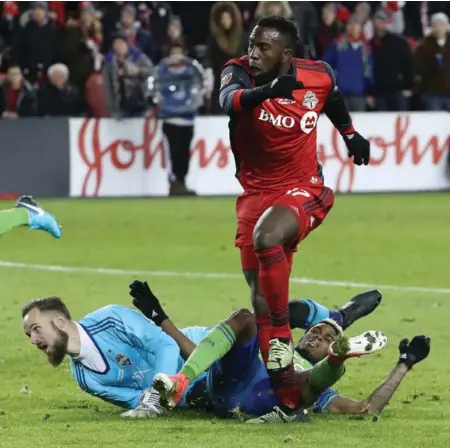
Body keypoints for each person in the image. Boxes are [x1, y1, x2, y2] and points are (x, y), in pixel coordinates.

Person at [218, 14, 370, 413]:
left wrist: (351, 135)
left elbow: (332, 97)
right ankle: (288, 401)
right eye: (251, 44)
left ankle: (284, 337)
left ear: (286, 54)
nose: (252, 53)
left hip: (305, 189)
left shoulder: (316, 74)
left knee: (267, 238)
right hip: (255, 195)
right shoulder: (239, 73)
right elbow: (228, 101)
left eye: (262, 47)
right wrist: (268, 90)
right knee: (260, 302)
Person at [128, 281, 430, 423]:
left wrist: (404, 364)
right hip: (230, 386)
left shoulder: (317, 386)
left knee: (307, 385)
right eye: (315, 331)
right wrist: (159, 316)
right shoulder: (273, 344)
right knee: (247, 318)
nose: (315, 337)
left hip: (274, 397)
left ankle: (341, 355)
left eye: (326, 338)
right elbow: (198, 354)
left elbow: (367, 409)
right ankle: (180, 380)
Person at [21, 296, 209, 410]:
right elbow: (136, 400)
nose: (33, 340)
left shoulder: (110, 318)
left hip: (200, 348)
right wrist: (147, 401)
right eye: (29, 335)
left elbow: (166, 345)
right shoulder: (84, 379)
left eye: (37, 329)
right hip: (191, 392)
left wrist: (156, 394)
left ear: (60, 323)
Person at [152, 42, 206, 196]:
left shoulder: (191, 70)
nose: (176, 57)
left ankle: (181, 183)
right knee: (173, 153)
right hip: (170, 120)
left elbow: (200, 88)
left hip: (188, 119)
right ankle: (174, 182)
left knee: (184, 154)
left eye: (179, 53)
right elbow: (155, 92)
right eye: (173, 53)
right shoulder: (162, 72)